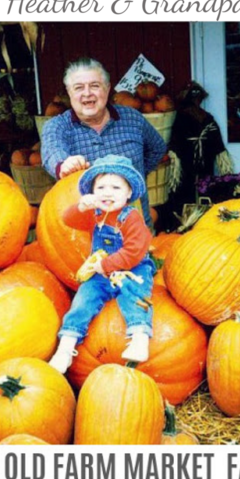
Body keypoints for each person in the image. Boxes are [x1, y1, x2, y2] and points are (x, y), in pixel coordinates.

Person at [49, 154, 156, 374]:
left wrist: (107, 265)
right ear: (93, 192)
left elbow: (135, 251)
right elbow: (68, 220)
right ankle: (65, 348)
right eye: (101, 187)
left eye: (116, 188)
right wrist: (81, 207)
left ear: (128, 193)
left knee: (135, 294)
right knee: (83, 298)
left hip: (132, 269)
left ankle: (139, 338)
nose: (108, 193)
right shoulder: (95, 215)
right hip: (102, 273)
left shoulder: (131, 218)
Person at [41, 57, 167, 228]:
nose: (87, 93)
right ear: (69, 93)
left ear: (107, 89)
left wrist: (135, 174)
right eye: (78, 88)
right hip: (86, 235)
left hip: (136, 229)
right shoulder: (57, 126)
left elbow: (157, 148)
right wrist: (63, 165)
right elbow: (52, 151)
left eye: (95, 86)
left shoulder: (132, 118)